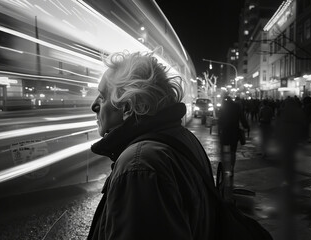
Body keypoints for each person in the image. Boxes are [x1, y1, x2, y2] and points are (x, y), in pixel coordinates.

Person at [88, 51, 216, 240]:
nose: (94, 105)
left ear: (128, 108)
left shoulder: (138, 166)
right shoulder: (181, 137)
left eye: (102, 96)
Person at [217, 96, 249, 176]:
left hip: (225, 131)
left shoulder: (223, 107)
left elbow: (220, 119)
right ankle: (231, 167)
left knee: (224, 149)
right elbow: (242, 118)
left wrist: (219, 127)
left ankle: (224, 166)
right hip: (234, 131)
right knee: (233, 151)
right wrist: (246, 126)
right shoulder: (237, 106)